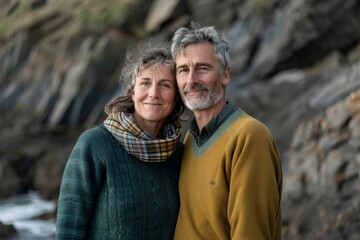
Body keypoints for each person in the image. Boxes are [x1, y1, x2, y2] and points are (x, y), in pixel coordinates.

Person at [55, 43, 185, 239]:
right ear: (133, 92)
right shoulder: (96, 144)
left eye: (165, 85)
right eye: (145, 83)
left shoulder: (179, 154)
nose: (153, 93)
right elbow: (68, 229)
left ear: (175, 98)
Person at [170, 22, 283, 239]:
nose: (191, 80)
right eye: (184, 70)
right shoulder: (191, 140)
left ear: (225, 75)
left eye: (203, 68)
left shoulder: (249, 136)